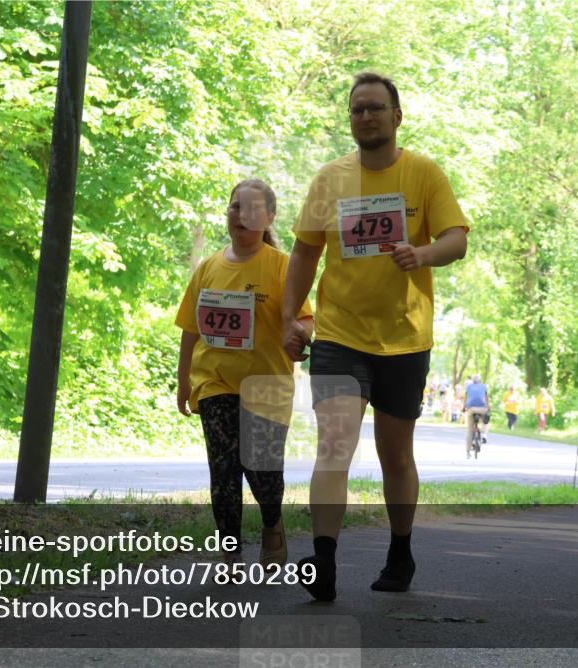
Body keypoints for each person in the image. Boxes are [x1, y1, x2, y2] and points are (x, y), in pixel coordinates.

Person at [282, 72, 468, 601]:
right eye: (357, 110)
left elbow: (456, 239)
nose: (365, 117)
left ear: (396, 115)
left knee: (396, 454)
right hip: (340, 332)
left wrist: (423, 253)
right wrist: (290, 320)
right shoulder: (330, 179)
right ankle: (323, 559)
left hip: (405, 338)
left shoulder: (424, 173)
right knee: (334, 447)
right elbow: (303, 254)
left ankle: (401, 547)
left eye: (375, 108)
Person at [176, 178, 314, 568]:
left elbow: (306, 319)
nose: (242, 215)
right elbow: (191, 328)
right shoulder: (207, 269)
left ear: (269, 217)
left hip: (266, 384)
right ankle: (230, 553)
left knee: (262, 470)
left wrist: (299, 334)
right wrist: (184, 379)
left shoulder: (284, 267)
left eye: (252, 208)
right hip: (215, 381)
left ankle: (273, 521)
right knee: (223, 470)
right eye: (236, 206)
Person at [463, 374, 491, 458]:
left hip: (471, 409)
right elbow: (487, 399)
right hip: (482, 409)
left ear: (473, 381)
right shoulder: (484, 387)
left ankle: (468, 452)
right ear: (480, 380)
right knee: (486, 420)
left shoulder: (469, 387)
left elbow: (466, 399)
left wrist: (464, 408)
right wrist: (488, 408)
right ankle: (484, 435)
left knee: (469, 430)